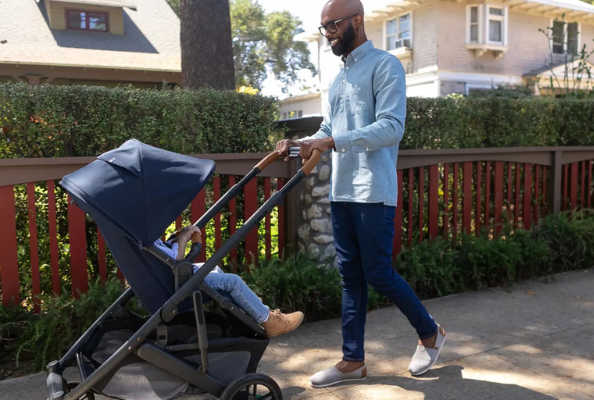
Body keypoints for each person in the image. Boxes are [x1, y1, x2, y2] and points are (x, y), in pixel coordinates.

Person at [275, 0, 446, 388]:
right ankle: (353, 361)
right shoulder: (337, 80)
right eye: (324, 28)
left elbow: (391, 127)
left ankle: (431, 334)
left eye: (333, 25)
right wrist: (302, 143)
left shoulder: (386, 66)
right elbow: (328, 127)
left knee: (379, 274)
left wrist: (336, 140)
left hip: (374, 190)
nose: (329, 33)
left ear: (357, 21)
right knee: (350, 278)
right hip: (342, 191)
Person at [154, 225, 304, 338]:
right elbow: (176, 260)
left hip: (171, 278)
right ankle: (268, 320)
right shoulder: (145, 240)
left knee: (216, 270)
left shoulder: (141, 240)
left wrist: (174, 239)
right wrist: (183, 237)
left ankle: (250, 309)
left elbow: (165, 254)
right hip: (176, 283)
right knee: (232, 282)